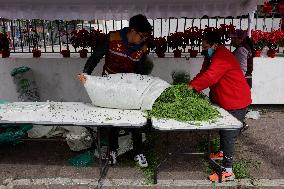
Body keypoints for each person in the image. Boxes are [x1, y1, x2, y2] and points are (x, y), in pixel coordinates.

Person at [78, 14, 153, 168]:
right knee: (112, 118)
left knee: (135, 117)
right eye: (142, 35)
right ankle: (112, 150)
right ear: (133, 31)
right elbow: (96, 57)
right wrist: (86, 74)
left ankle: (138, 152)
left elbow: (140, 70)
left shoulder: (143, 47)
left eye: (146, 36)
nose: (144, 39)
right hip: (109, 83)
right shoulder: (113, 38)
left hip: (129, 85)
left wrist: (140, 84)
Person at [188, 31, 252, 182]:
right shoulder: (211, 56)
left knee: (229, 133)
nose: (203, 48)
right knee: (224, 129)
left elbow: (211, 76)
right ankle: (222, 153)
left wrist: (192, 87)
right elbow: (204, 73)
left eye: (205, 45)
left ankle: (228, 170)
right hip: (226, 99)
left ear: (215, 45)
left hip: (236, 100)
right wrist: (191, 84)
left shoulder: (222, 56)